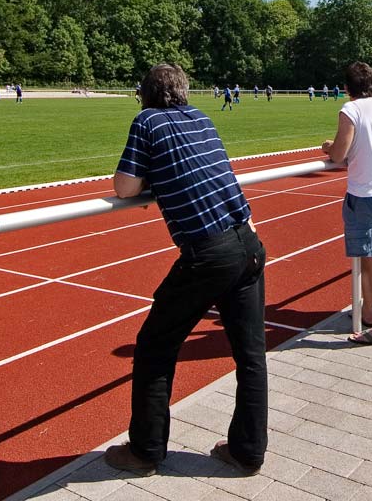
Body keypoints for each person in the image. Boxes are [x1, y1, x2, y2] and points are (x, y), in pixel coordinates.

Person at [105, 63, 267, 476]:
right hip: (248, 239)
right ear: (183, 91)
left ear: (145, 94)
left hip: (209, 252)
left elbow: (124, 187)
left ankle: (144, 450)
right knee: (250, 355)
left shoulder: (147, 122)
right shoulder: (202, 117)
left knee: (155, 346)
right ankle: (248, 451)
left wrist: (149, 180)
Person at [322, 62, 372, 346]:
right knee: (369, 259)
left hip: (364, 194)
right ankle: (368, 313)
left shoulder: (350, 110)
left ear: (346, 88)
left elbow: (340, 154)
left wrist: (329, 147)